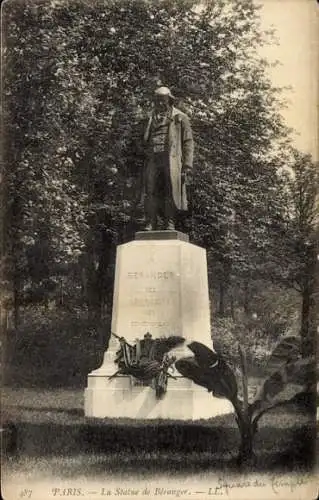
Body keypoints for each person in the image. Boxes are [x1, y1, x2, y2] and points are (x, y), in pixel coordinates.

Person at [142, 86, 194, 231]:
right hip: (153, 159)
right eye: (157, 100)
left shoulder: (180, 117)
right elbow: (143, 140)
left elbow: (188, 141)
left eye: (162, 100)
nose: (159, 103)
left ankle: (170, 222)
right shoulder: (150, 117)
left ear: (169, 100)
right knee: (150, 190)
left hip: (171, 160)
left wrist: (188, 165)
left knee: (170, 190)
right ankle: (150, 222)